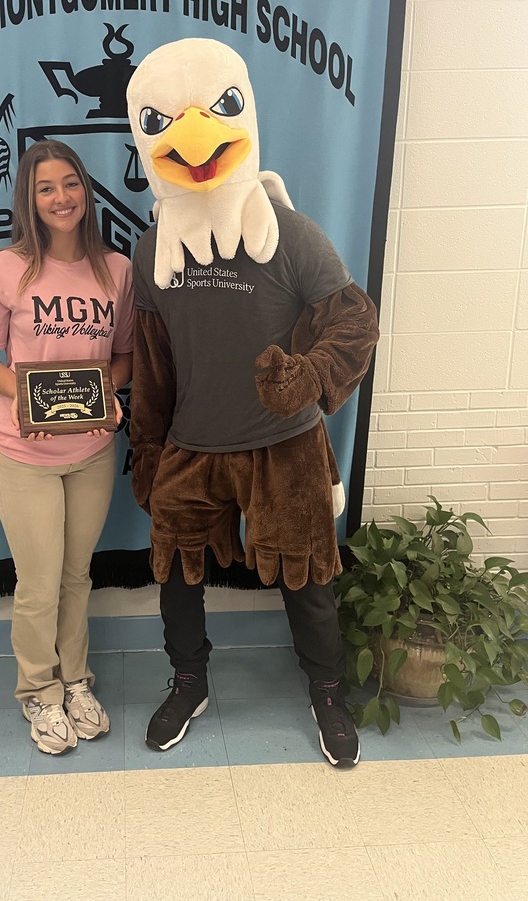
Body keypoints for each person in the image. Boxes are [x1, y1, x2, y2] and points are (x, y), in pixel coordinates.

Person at [126, 38, 379, 767]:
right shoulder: (151, 250)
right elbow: (152, 360)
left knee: (310, 576)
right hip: (192, 445)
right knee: (175, 572)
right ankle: (189, 680)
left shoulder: (291, 234)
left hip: (286, 442)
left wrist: (309, 374)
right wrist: (148, 449)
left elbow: (354, 323)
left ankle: (327, 691)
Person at [0, 139, 134, 755]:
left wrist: (107, 394)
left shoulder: (116, 270)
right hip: (22, 452)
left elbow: (123, 357)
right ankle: (39, 690)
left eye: (69, 184)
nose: (60, 197)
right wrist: (26, 400)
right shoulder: (5, 269)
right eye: (45, 188)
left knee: (76, 575)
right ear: (29, 201)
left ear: (85, 192)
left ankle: (75, 680)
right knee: (38, 583)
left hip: (90, 452)